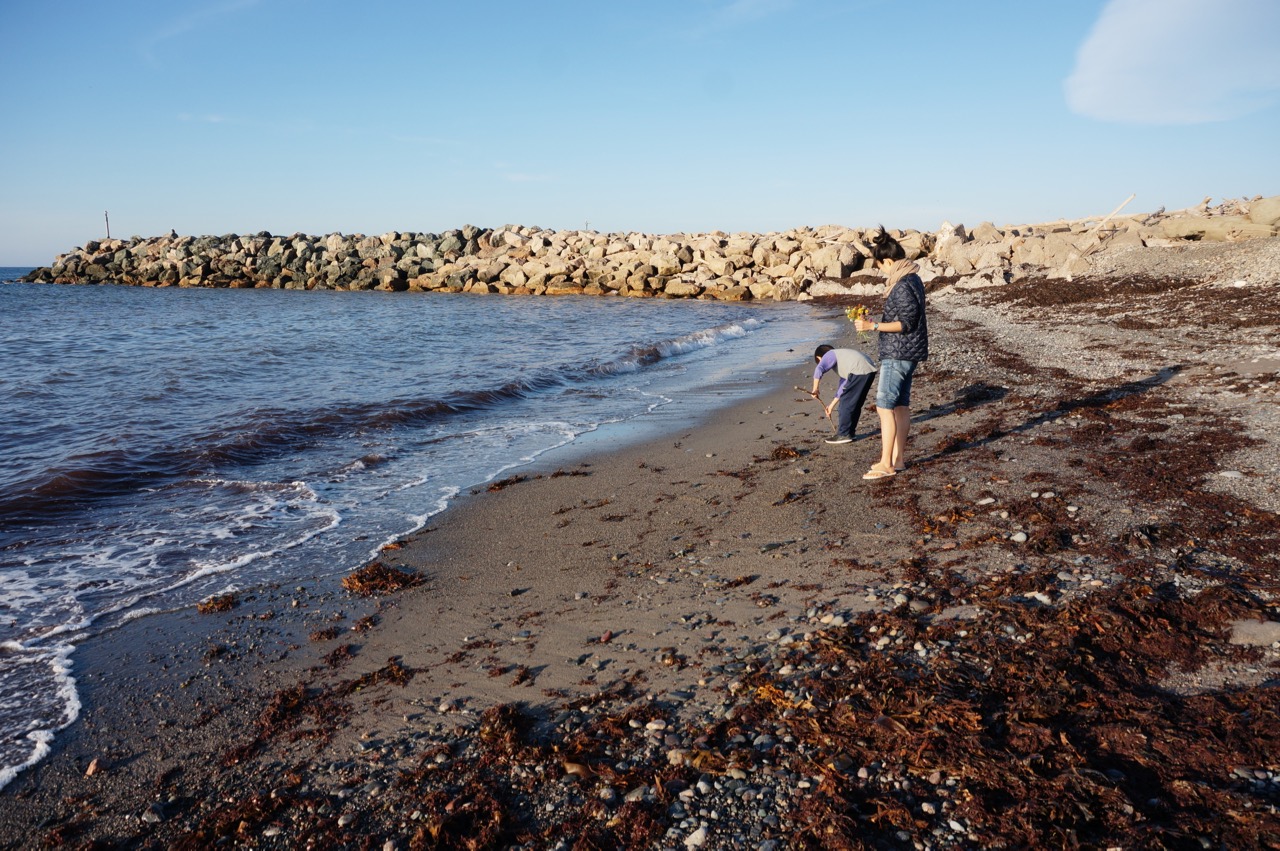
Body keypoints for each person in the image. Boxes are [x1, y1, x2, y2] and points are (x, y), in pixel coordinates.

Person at [853, 226, 928, 479]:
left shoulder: (903, 284)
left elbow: (906, 323)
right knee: (900, 407)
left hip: (898, 353)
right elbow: (908, 318)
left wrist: (872, 326)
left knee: (884, 406)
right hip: (908, 352)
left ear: (887, 261)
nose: (881, 271)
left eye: (880, 266)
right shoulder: (913, 278)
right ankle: (898, 460)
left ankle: (886, 463)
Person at [809, 344, 876, 445]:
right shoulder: (844, 361)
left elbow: (819, 368)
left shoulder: (830, 354)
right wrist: (831, 406)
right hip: (868, 370)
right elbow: (842, 389)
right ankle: (850, 433)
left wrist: (815, 389)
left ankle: (843, 434)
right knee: (855, 403)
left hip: (859, 370)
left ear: (819, 358)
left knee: (846, 403)